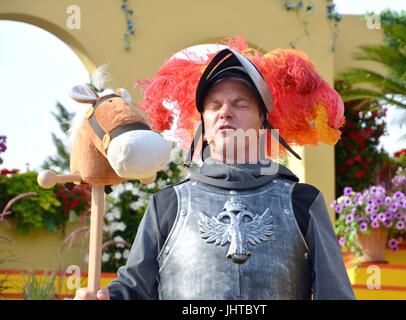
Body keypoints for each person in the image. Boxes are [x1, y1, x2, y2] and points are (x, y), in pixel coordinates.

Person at [74, 43, 355, 300]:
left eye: (240, 104)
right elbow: (135, 290)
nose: (225, 112)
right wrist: (107, 298)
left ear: (261, 121)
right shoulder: (167, 204)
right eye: (214, 106)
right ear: (204, 124)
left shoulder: (302, 201)